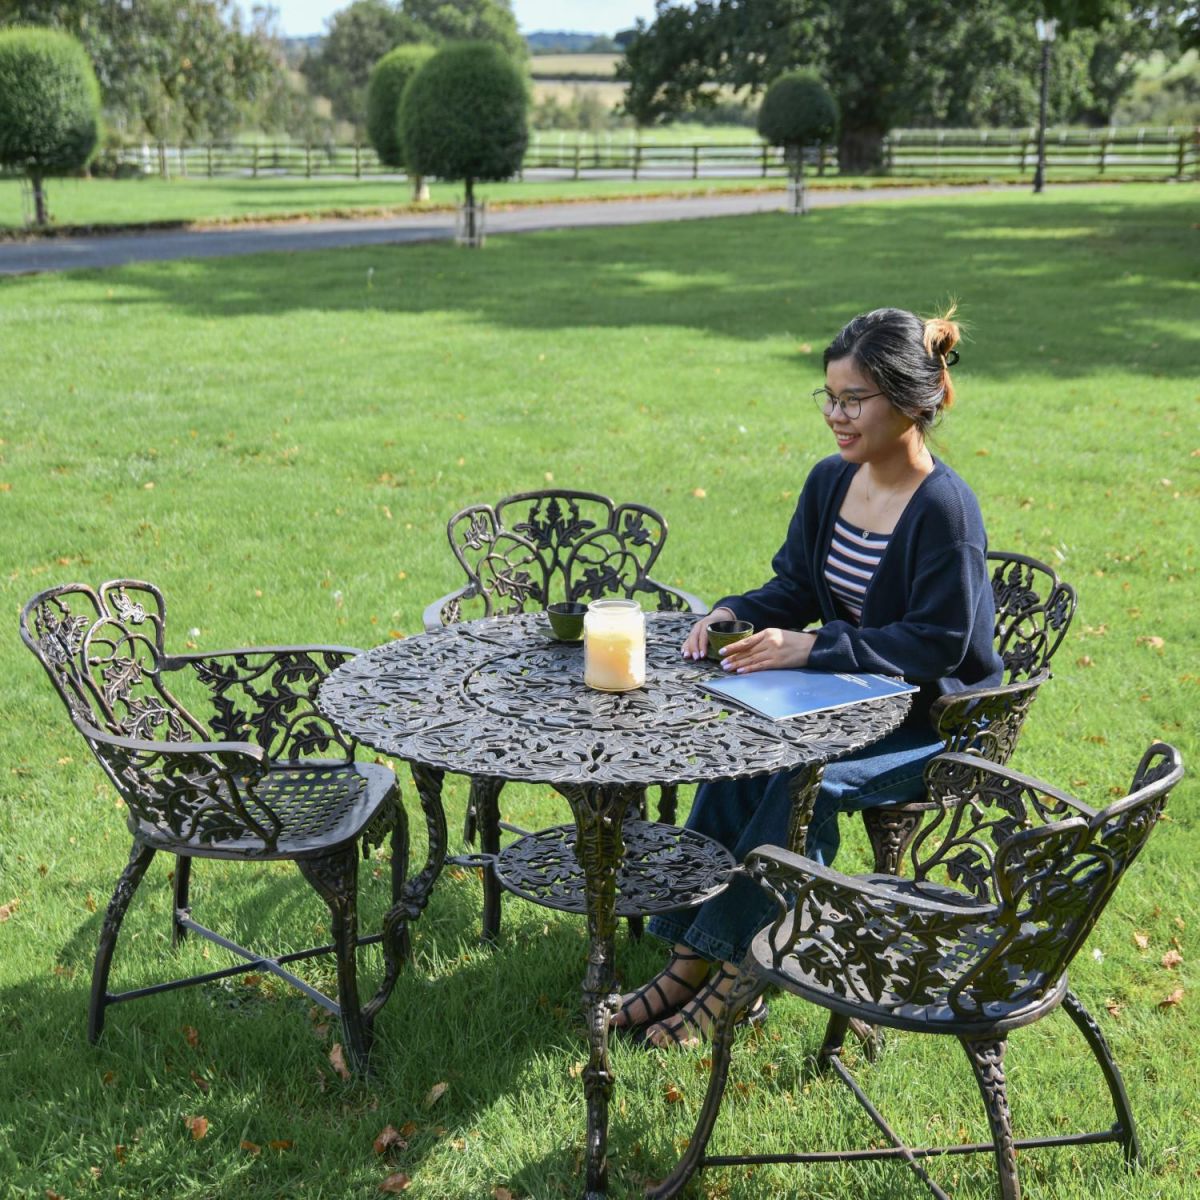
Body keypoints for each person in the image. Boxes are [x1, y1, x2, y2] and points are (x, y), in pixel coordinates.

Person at [615, 306, 1004, 1049]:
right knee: (744, 757)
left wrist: (815, 648)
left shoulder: (946, 511)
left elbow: (938, 645)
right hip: (849, 698)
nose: (835, 414)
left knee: (806, 781)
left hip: (934, 723)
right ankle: (690, 959)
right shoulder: (831, 482)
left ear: (910, 403)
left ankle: (740, 975)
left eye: (854, 399)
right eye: (829, 396)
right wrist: (734, 612)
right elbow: (794, 586)